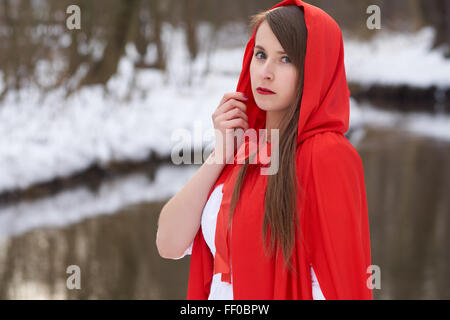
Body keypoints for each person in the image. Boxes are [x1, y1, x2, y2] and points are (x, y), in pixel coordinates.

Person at [157, 0, 373, 300]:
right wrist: (220, 153)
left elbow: (339, 286)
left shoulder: (327, 154)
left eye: (285, 59)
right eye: (260, 55)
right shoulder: (244, 152)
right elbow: (169, 243)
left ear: (315, 69)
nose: (266, 72)